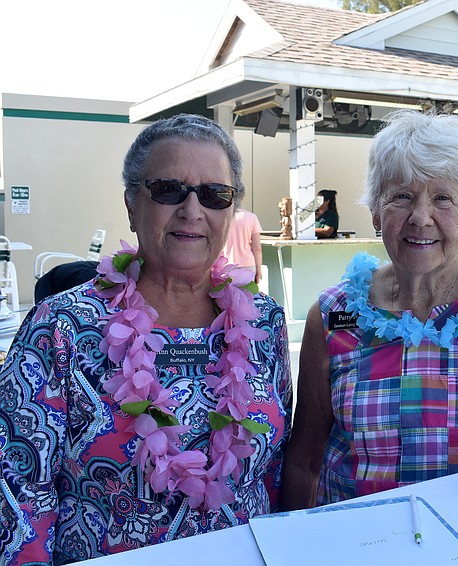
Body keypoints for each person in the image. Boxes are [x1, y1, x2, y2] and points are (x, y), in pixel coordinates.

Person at [0, 114, 292, 564]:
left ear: (230, 211)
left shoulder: (264, 322)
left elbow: (274, 471)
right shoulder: (61, 327)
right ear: (132, 205)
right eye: (169, 189)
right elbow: (19, 495)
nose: (192, 211)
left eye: (215, 195)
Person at [282, 111, 458, 509]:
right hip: (359, 541)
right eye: (401, 196)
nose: (421, 217)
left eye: (443, 198)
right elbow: (305, 460)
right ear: (375, 212)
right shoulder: (334, 315)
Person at [222, 207, 263, 283]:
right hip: (248, 265)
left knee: (227, 294)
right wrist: (259, 271)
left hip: (226, 265)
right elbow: (257, 248)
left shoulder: (222, 216)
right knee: (247, 294)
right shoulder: (251, 217)